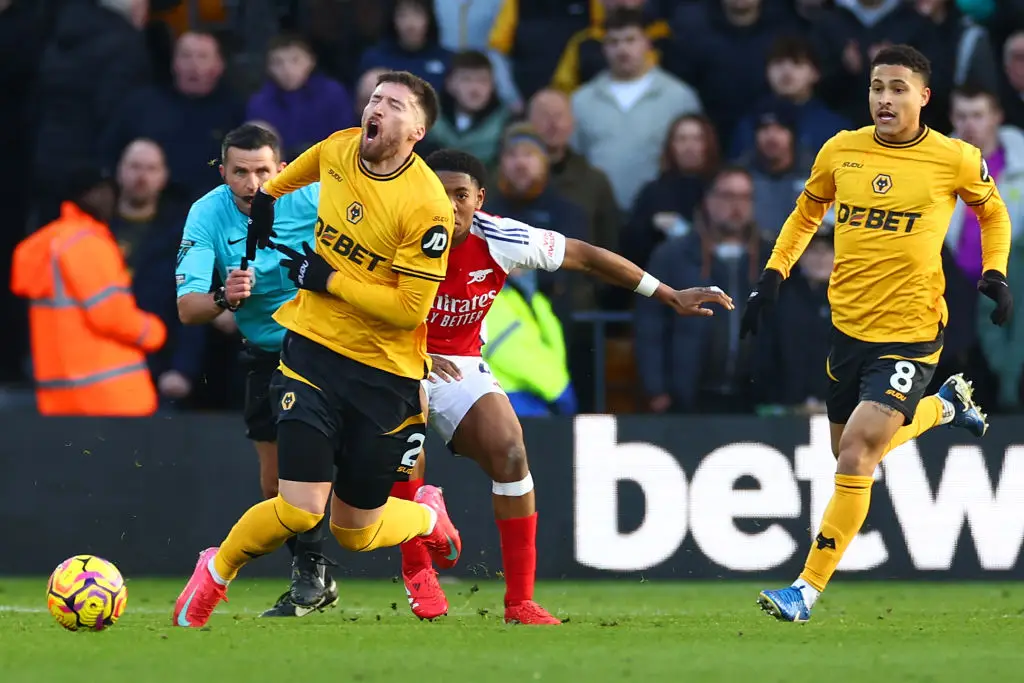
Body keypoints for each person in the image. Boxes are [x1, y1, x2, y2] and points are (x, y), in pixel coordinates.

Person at [393, 148, 734, 624]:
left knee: (511, 453)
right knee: (404, 445)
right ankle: (418, 567)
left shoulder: (502, 238)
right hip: (387, 354)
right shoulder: (391, 233)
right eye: (439, 192)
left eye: (461, 195)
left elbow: (586, 256)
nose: (449, 205)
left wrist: (669, 294)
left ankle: (519, 602)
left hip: (460, 363)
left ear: (480, 199)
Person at [172, 70, 460, 629]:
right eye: (374, 97)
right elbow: (287, 180)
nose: (376, 107)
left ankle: (425, 518)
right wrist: (266, 208)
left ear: (417, 129)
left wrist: (326, 279)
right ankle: (215, 574)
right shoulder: (339, 147)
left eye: (393, 104)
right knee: (296, 503)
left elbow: (409, 311)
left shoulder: (427, 207)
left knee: (357, 531)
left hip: (384, 372)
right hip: (311, 352)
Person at [742, 45, 1013, 623]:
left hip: (913, 331)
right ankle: (942, 409)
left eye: (897, 88)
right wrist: (773, 274)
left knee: (857, 455)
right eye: (876, 88)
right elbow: (806, 213)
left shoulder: (956, 159)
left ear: (923, 97)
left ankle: (804, 591)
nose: (884, 99)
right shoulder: (841, 150)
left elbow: (994, 212)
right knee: (848, 451)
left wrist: (995, 270)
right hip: (848, 328)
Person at [175, 123, 338, 618]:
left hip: (323, 344)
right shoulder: (206, 213)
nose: (251, 184)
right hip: (263, 351)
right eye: (239, 172)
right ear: (223, 171)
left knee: (317, 474)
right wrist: (225, 297)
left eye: (262, 171)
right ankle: (317, 574)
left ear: (281, 170)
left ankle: (313, 574)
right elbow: (188, 307)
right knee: (273, 485)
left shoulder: (315, 198)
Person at [12, 167, 166, 416]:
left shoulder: (50, 241)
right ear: (83, 196)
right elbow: (111, 316)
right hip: (110, 397)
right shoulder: (87, 242)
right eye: (101, 191)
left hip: (60, 398)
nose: (109, 199)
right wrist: (153, 331)